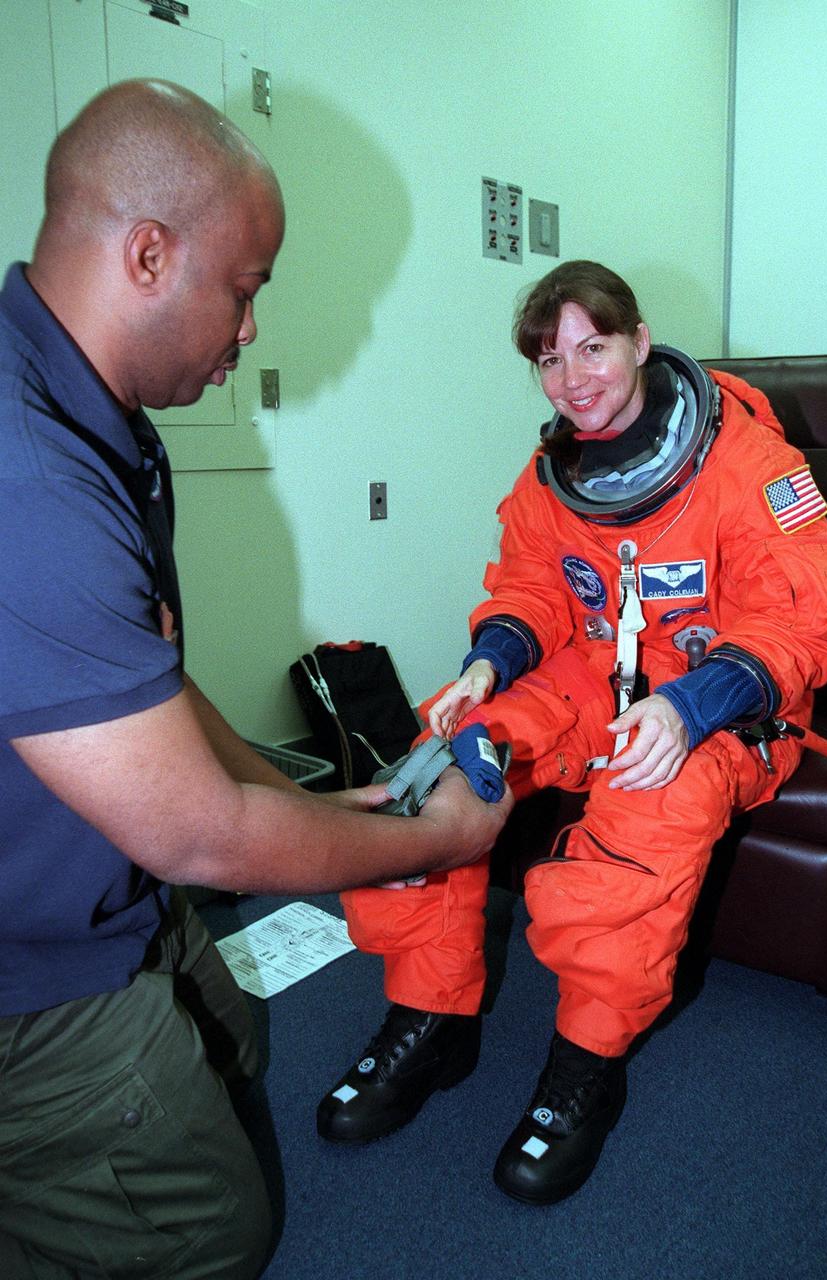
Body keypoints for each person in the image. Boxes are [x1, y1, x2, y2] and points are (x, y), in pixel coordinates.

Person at [0, 80, 511, 1278]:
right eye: (246, 289)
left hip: (106, 883)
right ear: (146, 254)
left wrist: (327, 807)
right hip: (28, 970)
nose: (251, 328)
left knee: (236, 1035)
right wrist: (438, 839)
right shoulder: (31, 483)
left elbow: (148, 691)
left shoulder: (102, 416)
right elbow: (207, 839)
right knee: (212, 1234)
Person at [316, 260, 827, 1205]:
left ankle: (584, 1065)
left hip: (730, 700)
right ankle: (428, 1014)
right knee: (441, 760)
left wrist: (690, 703)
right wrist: (488, 660)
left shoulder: (750, 465)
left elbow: (810, 618)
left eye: (593, 347)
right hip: (592, 680)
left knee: (643, 804)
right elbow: (531, 589)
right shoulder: (550, 477)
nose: (574, 378)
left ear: (639, 343)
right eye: (549, 359)